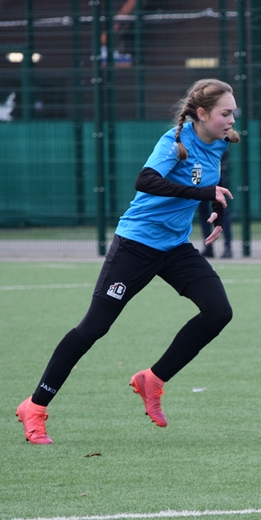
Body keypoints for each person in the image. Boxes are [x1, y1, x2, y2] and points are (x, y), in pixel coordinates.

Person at [15, 79, 240, 444]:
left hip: (175, 248)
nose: (232, 120)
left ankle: (152, 379)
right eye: (225, 113)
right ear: (202, 114)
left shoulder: (218, 145)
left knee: (218, 312)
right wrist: (203, 193)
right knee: (94, 327)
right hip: (136, 245)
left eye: (233, 113)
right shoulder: (174, 142)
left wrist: (213, 208)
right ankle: (35, 407)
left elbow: (201, 186)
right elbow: (146, 180)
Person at [199, 148, 233, 259]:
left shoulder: (219, 140)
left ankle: (228, 247)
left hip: (216, 173)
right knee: (203, 211)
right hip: (200, 175)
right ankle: (208, 247)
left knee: (222, 210)